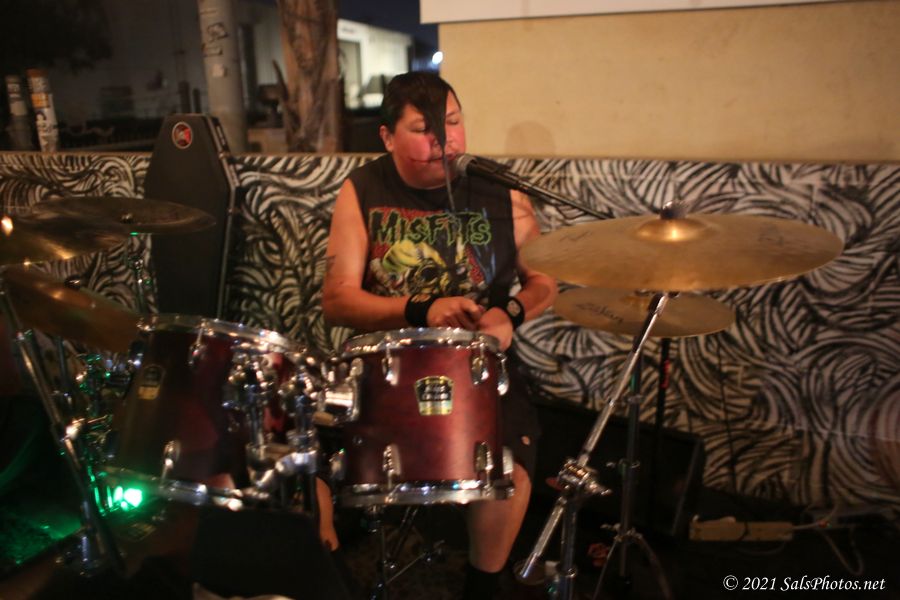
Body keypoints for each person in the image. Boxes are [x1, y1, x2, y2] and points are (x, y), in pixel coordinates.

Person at [321, 71, 557, 599]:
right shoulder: (363, 188)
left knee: (511, 466)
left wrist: (509, 316)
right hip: (384, 365)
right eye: (423, 129)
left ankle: (484, 583)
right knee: (306, 454)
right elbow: (336, 300)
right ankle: (330, 578)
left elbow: (545, 281)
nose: (443, 141)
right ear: (387, 137)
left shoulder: (503, 191)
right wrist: (421, 308)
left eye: (451, 123)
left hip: (479, 366)